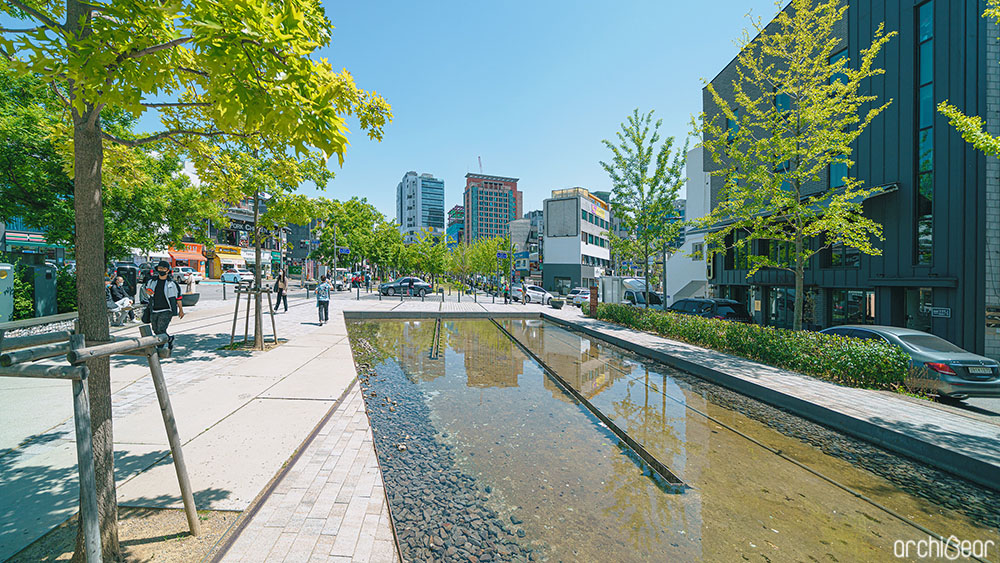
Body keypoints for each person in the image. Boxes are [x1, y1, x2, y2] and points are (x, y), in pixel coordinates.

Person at [143, 261, 184, 357]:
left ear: (167, 270)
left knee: (161, 329)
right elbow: (146, 291)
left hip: (166, 310)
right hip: (154, 309)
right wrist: (148, 293)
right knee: (155, 329)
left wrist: (181, 310)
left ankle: (159, 350)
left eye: (163, 269)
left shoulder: (172, 283)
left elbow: (178, 297)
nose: (161, 270)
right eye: (160, 268)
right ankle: (170, 339)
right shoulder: (152, 281)